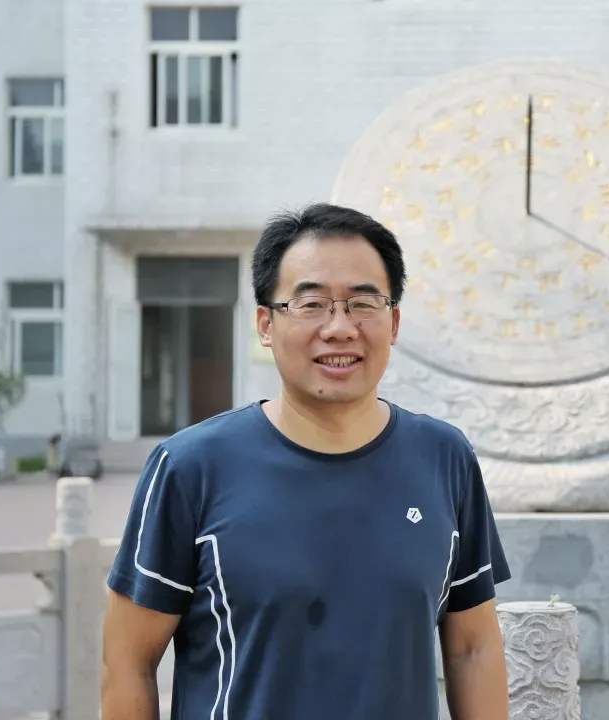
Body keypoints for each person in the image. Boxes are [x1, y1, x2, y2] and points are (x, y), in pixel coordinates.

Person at [101, 203, 512, 720]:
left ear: (394, 322)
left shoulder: (445, 458)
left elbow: (473, 647)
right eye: (311, 304)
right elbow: (128, 663)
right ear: (265, 324)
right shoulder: (190, 468)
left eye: (364, 304)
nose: (339, 328)